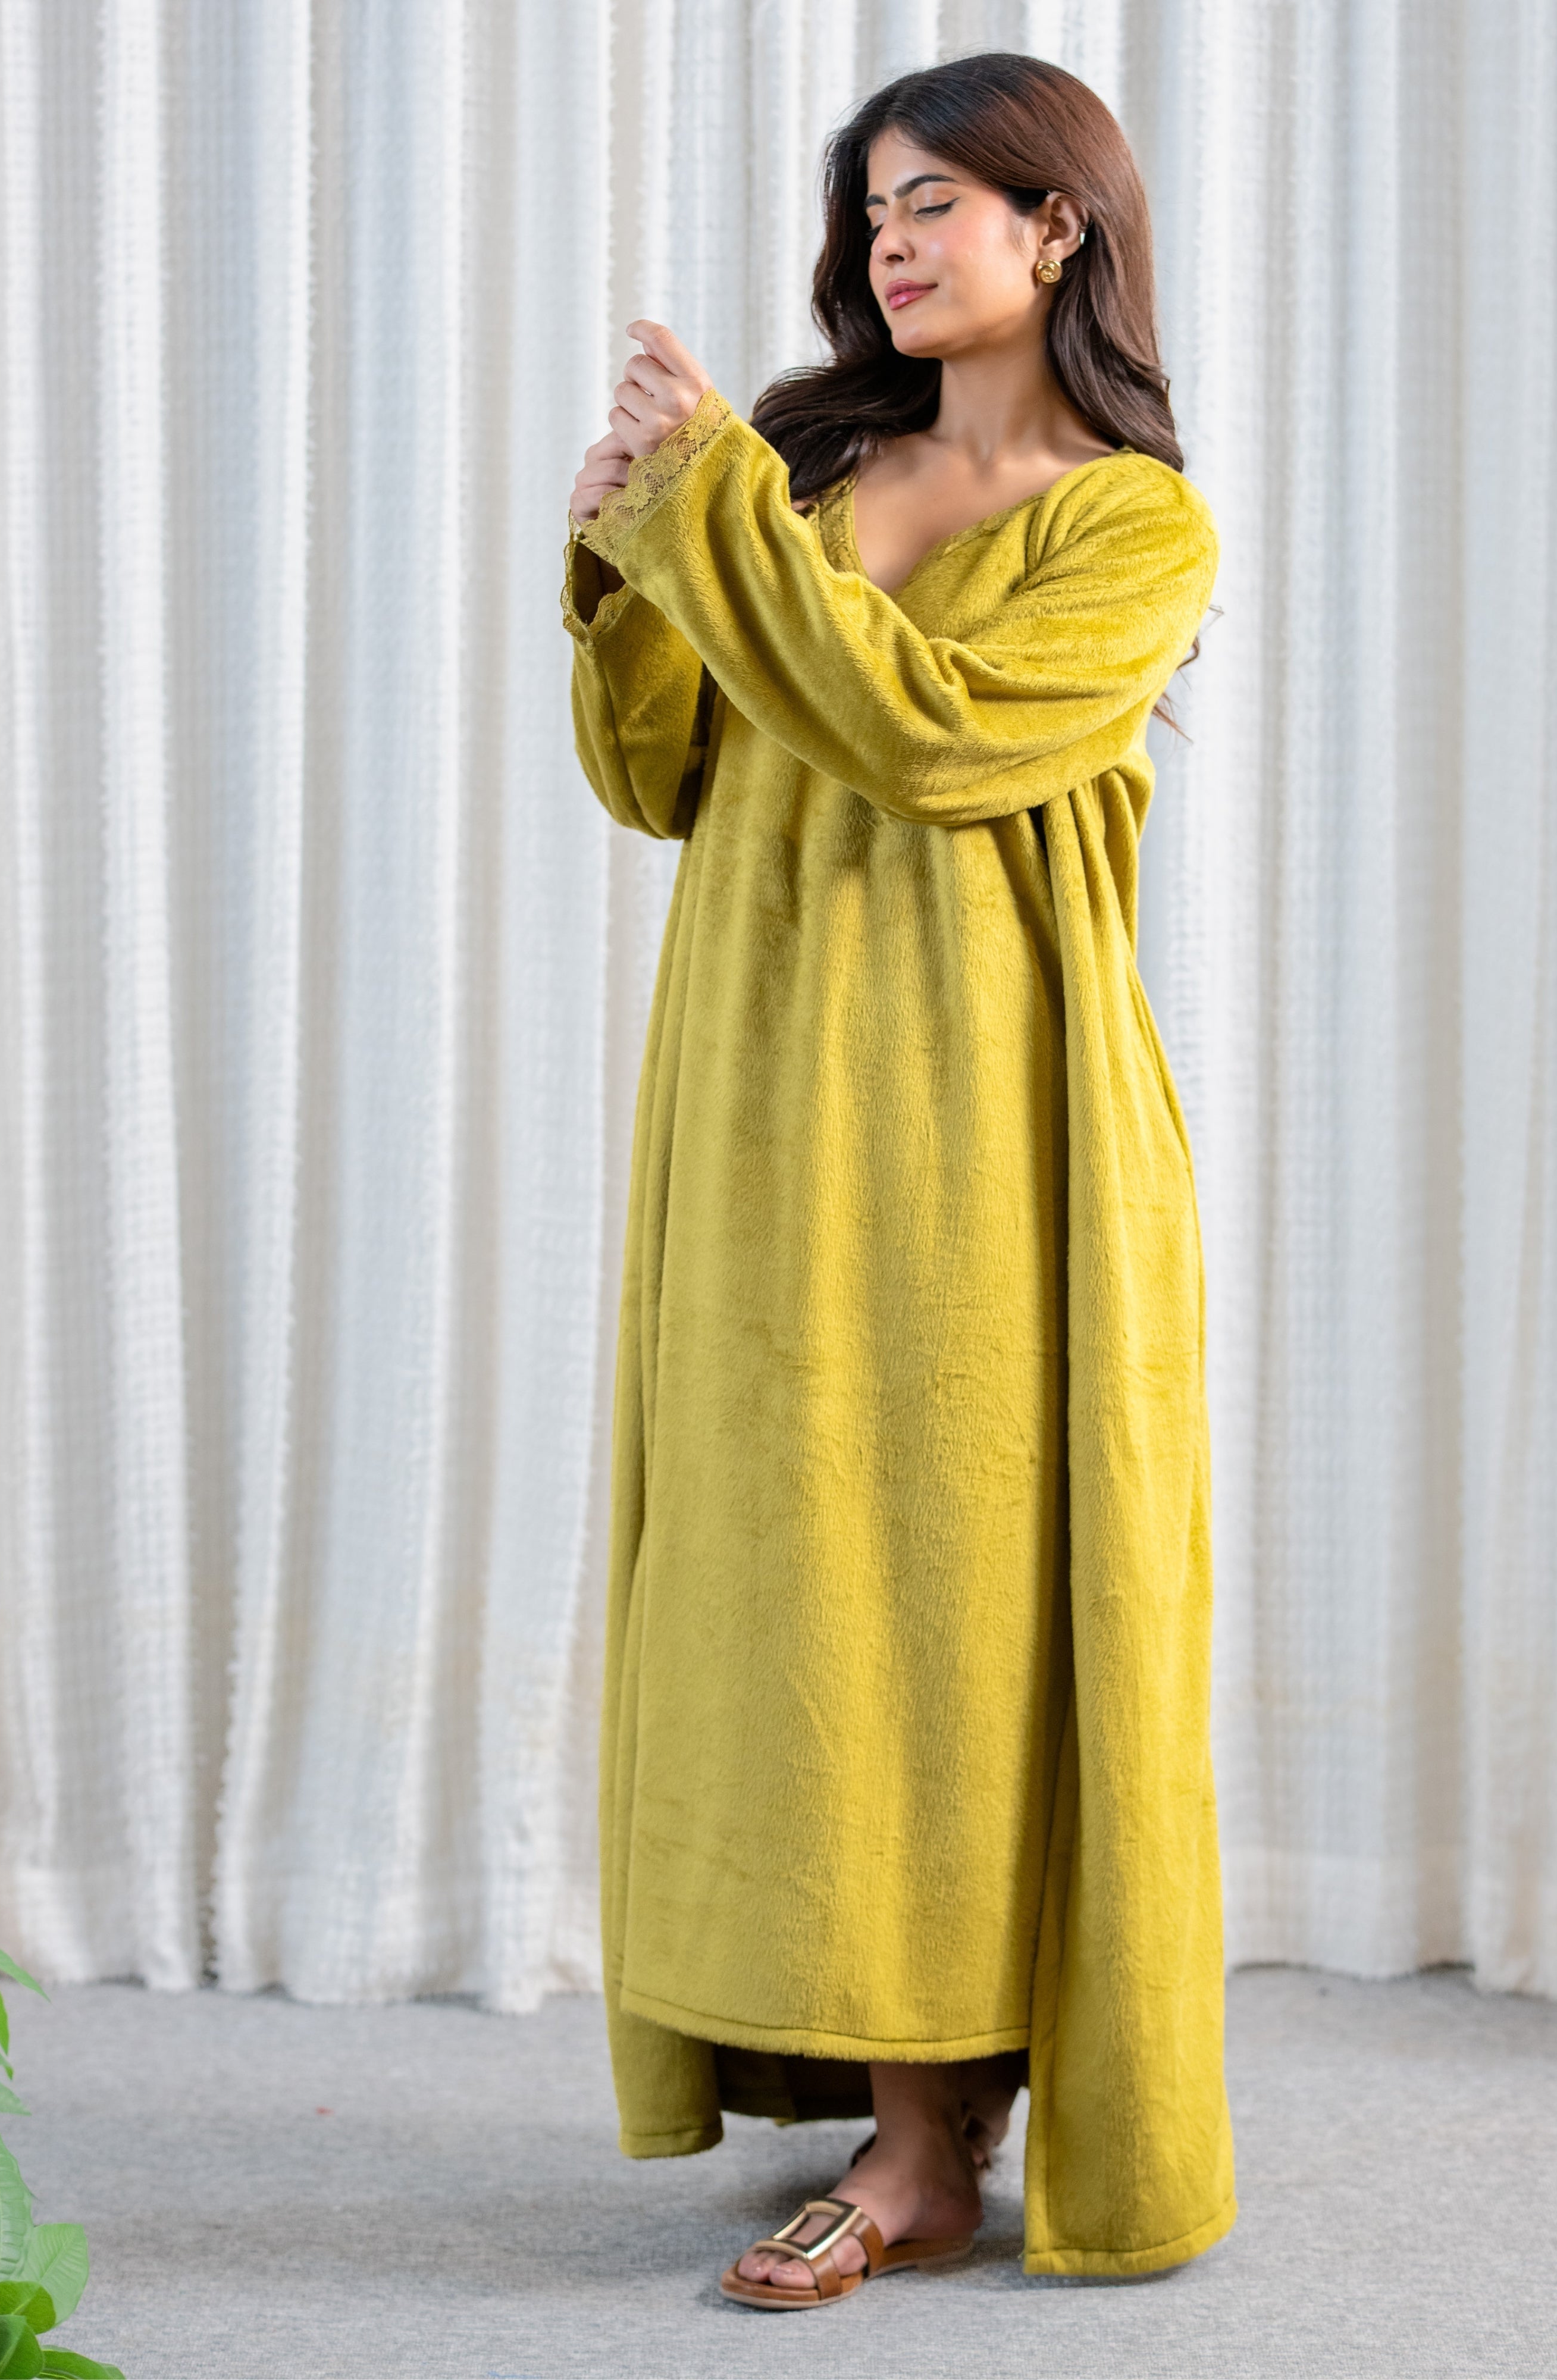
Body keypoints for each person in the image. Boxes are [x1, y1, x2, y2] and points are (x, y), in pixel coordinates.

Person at [561, 49, 1235, 2311]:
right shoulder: (808, 467)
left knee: (962, 1606)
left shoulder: (1135, 527)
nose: (892, 240)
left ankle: (932, 2146)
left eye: (936, 198)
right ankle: (886, 2087)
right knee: (795, 1601)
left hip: (1001, 1130)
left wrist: (713, 519)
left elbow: (931, 743)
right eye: (872, 209)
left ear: (1062, 222)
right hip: (763, 1105)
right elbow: (659, 774)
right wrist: (628, 551)